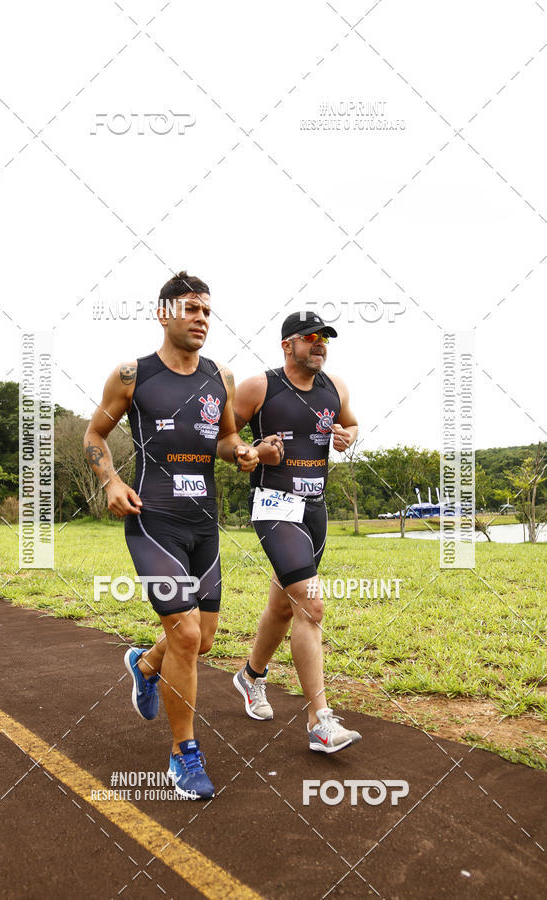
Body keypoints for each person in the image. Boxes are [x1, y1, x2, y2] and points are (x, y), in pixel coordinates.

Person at [83, 271, 262, 799]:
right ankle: (184, 756)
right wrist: (111, 480)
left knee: (201, 641)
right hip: (152, 519)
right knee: (184, 634)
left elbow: (227, 438)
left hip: (204, 524)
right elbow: (95, 433)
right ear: (164, 314)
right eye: (190, 309)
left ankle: (144, 664)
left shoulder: (220, 378)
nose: (202, 319)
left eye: (207, 311)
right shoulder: (131, 375)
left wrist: (244, 453)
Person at [232, 310, 363, 753]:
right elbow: (221, 437)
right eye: (310, 337)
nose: (320, 344)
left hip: (315, 511)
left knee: (286, 607)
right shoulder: (259, 387)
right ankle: (319, 721)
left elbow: (352, 423)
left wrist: (348, 435)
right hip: (274, 506)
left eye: (325, 337)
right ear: (287, 344)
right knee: (311, 605)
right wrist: (253, 451)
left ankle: (250, 676)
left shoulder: (335, 387)